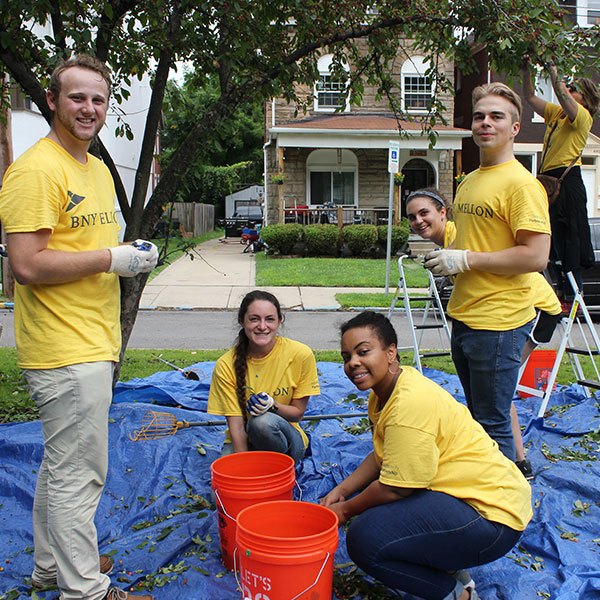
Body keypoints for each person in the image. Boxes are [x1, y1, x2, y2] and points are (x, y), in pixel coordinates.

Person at [0, 55, 157, 600]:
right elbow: (26, 263)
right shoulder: (37, 170)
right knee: (79, 476)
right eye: (76, 97)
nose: (88, 108)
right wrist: (113, 261)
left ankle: (52, 567)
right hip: (64, 350)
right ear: (52, 101)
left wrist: (127, 255)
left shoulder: (93, 168)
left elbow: (88, 247)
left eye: (97, 98)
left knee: (59, 467)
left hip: (93, 339)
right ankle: (85, 590)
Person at [321, 311, 532, 600]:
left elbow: (397, 487)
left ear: (391, 352)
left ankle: (456, 594)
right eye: (347, 356)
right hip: (466, 499)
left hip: (492, 518)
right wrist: (342, 490)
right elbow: (383, 454)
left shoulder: (407, 403)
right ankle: (451, 569)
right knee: (378, 514)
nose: (353, 363)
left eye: (363, 352)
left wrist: (345, 510)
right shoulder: (385, 390)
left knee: (365, 538)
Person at [424, 83, 551, 461]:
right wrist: (447, 251)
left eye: (497, 116)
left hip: (497, 324)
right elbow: (473, 241)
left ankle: (505, 511)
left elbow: (535, 257)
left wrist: (464, 260)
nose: (485, 123)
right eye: (479, 116)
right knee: (481, 419)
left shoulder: (521, 185)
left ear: (515, 128)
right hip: (464, 315)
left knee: (492, 424)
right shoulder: (471, 180)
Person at [407, 188, 560, 478]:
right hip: (501, 315)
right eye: (412, 217)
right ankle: (518, 461)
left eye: (424, 212)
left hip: (536, 311)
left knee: (495, 397)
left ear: (443, 212)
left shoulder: (459, 235)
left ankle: (505, 475)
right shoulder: (447, 242)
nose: (418, 221)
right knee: (496, 394)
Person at [207, 290, 320, 463]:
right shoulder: (226, 365)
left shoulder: (300, 355)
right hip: (245, 441)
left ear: (279, 321)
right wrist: (245, 465)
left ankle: (278, 465)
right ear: (241, 321)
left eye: (269, 319)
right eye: (254, 319)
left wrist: (273, 405)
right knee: (225, 483)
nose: (262, 326)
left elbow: (298, 414)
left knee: (261, 422)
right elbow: (236, 426)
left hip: (287, 442)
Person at [523, 61, 599, 307]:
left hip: (567, 182)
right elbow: (529, 96)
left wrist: (553, 70)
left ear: (584, 99)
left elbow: (563, 95)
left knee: (570, 239)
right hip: (549, 182)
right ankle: (558, 293)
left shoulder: (583, 117)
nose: (567, 89)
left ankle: (574, 296)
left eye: (574, 88)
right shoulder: (557, 114)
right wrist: (527, 70)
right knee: (550, 239)